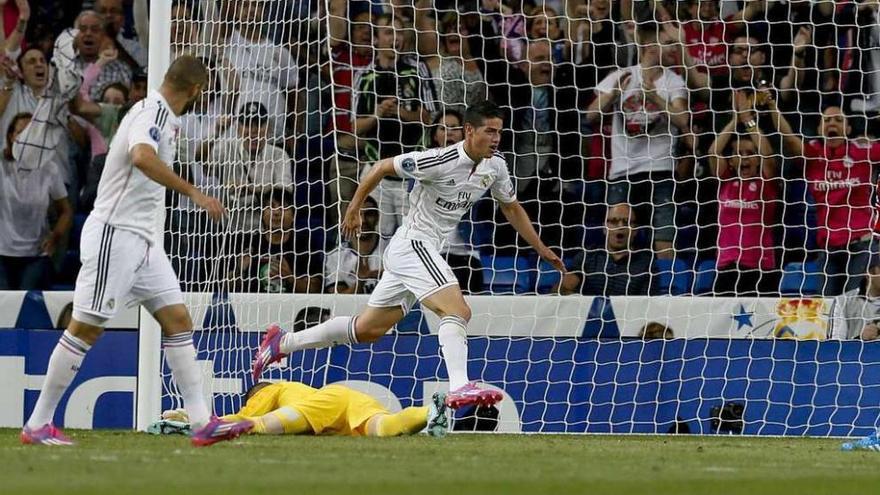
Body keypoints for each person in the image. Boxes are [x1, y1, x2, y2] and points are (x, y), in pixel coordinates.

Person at [253, 100, 565, 409]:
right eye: (490, 131)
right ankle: (459, 386)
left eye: (499, 132)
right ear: (469, 131)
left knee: (368, 329)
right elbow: (381, 166)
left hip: (415, 251)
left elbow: (511, 207)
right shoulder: (439, 159)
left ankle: (283, 342)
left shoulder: (494, 166)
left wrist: (541, 248)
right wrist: (354, 206)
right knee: (458, 310)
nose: (496, 139)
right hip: (414, 244)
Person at [20, 55, 252, 447]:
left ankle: (201, 422)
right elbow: (141, 156)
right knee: (86, 328)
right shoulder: (152, 112)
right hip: (116, 232)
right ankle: (37, 424)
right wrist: (194, 191)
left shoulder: (163, 116)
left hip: (144, 241)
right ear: (196, 90)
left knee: (178, 320)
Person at [585, 21, 689, 259]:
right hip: (623, 172)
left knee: (664, 237)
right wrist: (613, 95)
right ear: (650, 47)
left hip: (660, 170)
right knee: (617, 239)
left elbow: (683, 120)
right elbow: (590, 115)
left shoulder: (673, 81)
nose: (674, 49)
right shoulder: (620, 77)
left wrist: (656, 98)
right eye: (668, 44)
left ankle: (666, 291)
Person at [773, 101, 880, 296]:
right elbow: (788, 139)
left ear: (848, 129)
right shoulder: (813, 155)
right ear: (819, 128)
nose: (833, 123)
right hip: (828, 249)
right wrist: (772, 106)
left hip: (861, 245)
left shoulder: (862, 150)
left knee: (856, 305)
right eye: (827, 120)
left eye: (839, 120)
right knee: (827, 306)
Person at [162, 380, 448, 438]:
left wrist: (197, 418)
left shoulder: (270, 388)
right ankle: (430, 412)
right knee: (385, 429)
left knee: (258, 425)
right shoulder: (297, 390)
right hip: (349, 403)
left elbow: (247, 416)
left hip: (325, 404)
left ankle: (194, 427)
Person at [708, 90, 780, 296]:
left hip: (760, 268)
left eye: (750, 154)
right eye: (739, 154)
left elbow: (768, 155)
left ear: (757, 160)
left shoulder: (767, 184)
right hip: (726, 267)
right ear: (731, 160)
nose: (745, 158)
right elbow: (713, 152)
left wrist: (748, 120)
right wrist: (735, 119)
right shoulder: (726, 182)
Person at [0, 113, 72, 290]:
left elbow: (66, 211)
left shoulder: (50, 168)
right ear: (11, 136)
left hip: (36, 253)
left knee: (29, 308)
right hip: (1, 253)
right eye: (20, 133)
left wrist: (55, 236)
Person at [553, 203, 652, 296]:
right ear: (605, 228)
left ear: (635, 230)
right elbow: (561, 289)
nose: (620, 226)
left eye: (626, 222)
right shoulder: (587, 257)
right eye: (614, 221)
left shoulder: (646, 265)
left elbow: (646, 305)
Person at [324, 195, 384, 294]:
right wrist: (360, 281)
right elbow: (338, 301)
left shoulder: (392, 248)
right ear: (348, 219)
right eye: (357, 215)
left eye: (369, 214)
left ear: (377, 217)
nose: (363, 220)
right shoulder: (335, 257)